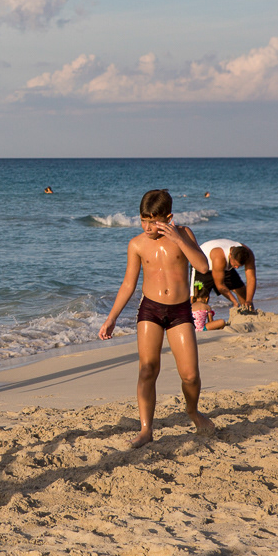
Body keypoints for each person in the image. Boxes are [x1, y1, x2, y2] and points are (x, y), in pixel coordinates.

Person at [98, 189, 215, 448]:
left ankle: (193, 411)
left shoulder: (183, 235)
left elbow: (203, 266)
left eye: (154, 220)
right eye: (143, 220)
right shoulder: (137, 244)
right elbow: (129, 284)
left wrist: (179, 239)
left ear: (168, 217)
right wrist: (111, 318)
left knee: (190, 376)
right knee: (148, 369)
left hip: (179, 312)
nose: (148, 226)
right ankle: (146, 429)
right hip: (150, 310)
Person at [193, 239, 257, 311]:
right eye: (235, 265)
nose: (236, 267)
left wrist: (249, 300)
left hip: (223, 266)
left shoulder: (248, 254)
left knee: (241, 290)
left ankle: (247, 312)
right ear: (230, 255)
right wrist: (234, 301)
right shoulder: (219, 256)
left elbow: (251, 279)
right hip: (202, 265)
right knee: (199, 299)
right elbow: (220, 285)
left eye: (239, 266)